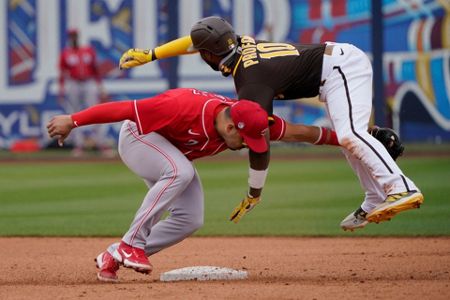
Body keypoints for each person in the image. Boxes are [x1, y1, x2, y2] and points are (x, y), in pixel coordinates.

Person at [118, 16, 424, 231]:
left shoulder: (250, 82)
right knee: (350, 141)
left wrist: (254, 192)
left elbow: (259, 143)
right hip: (334, 69)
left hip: (341, 68)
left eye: (203, 53)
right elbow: (198, 40)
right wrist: (153, 54)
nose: (199, 53)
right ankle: (373, 198)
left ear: (210, 56)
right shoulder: (241, 44)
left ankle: (401, 187)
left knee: (350, 135)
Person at [47, 87, 340, 282]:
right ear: (229, 127)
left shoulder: (250, 121)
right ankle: (129, 245)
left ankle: (113, 255)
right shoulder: (181, 106)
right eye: (245, 140)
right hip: (138, 138)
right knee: (180, 172)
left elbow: (299, 132)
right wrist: (73, 120)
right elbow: (125, 108)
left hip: (167, 154)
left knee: (190, 218)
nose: (248, 145)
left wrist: (351, 139)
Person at [58, 28, 112, 157]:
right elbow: (62, 73)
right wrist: (61, 90)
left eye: (75, 35)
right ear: (69, 38)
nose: (74, 38)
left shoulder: (87, 51)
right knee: (74, 115)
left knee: (96, 112)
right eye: (71, 36)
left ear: (78, 36)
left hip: (89, 82)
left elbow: (96, 70)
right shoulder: (66, 53)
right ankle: (79, 145)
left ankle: (101, 144)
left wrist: (101, 87)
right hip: (74, 83)